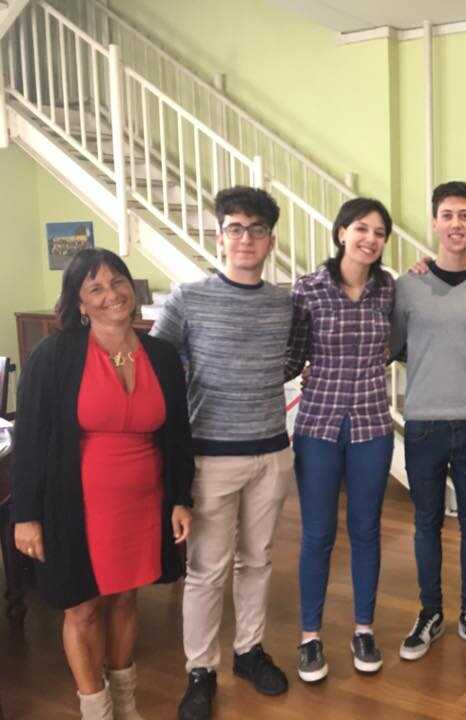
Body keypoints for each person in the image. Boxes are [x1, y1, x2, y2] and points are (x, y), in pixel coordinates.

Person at [13, 249, 193, 720]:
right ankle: (96, 708)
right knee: (83, 608)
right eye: (95, 288)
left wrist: (180, 498)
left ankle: (125, 702)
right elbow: (29, 439)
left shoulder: (160, 355)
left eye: (118, 282)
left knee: (127, 598)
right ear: (79, 303)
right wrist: (26, 515)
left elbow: (177, 434)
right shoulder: (54, 357)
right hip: (77, 505)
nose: (111, 294)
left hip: (143, 502)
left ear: (132, 288)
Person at [151, 186, 294, 720]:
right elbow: (159, 364)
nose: (245, 239)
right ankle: (200, 670)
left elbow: (293, 358)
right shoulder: (187, 298)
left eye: (256, 230)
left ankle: (249, 651)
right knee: (207, 570)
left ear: (270, 241)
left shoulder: (285, 303)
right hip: (210, 457)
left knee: (257, 560)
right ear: (219, 237)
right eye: (235, 228)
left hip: (272, 452)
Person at [391, 181, 466, 662]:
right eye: (447, 215)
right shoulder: (407, 286)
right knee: (426, 523)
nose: (456, 223)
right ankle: (430, 612)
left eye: (464, 215)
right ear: (435, 222)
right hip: (423, 423)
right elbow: (391, 346)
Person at [285, 197, 396, 681]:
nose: (370, 239)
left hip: (372, 425)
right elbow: (291, 357)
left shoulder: (389, 290)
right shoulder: (308, 289)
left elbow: (397, 344)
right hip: (318, 426)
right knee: (318, 533)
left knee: (367, 529)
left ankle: (363, 629)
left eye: (379, 232)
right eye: (361, 228)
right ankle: (310, 636)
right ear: (341, 233)